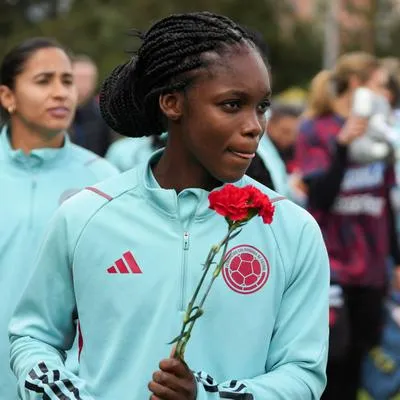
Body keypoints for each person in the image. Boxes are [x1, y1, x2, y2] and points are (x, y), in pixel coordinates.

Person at [9, 13, 329, 399]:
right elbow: (33, 336)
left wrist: (208, 396)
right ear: (172, 103)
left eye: (261, 106)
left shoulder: (290, 229)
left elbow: (303, 373)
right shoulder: (85, 216)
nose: (255, 126)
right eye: (232, 105)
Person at [0, 37, 118, 399]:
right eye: (43, 81)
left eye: (67, 81)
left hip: (63, 384)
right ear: (8, 96)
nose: (60, 93)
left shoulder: (104, 179)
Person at [296, 52, 400, 400]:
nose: (388, 95)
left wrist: (396, 260)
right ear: (358, 86)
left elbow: (385, 200)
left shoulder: (378, 133)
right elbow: (320, 198)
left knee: (359, 358)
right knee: (330, 363)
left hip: (371, 268)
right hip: (332, 267)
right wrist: (342, 147)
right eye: (381, 86)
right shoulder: (316, 129)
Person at [70, 54, 114, 156]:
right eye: (80, 78)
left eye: (89, 78)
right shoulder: (58, 112)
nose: (84, 83)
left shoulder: (103, 115)